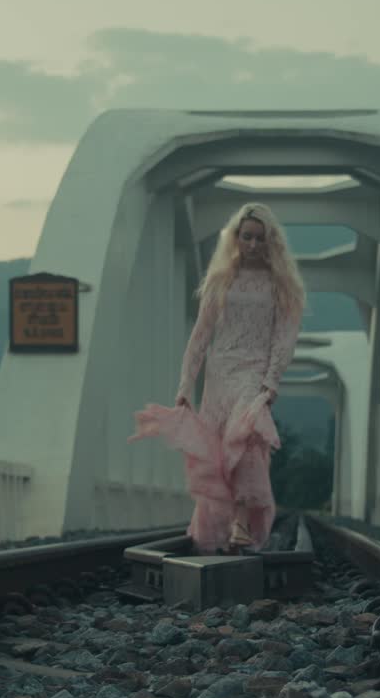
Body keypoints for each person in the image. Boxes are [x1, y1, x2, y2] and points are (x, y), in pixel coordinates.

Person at [129, 202, 305, 554]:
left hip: (254, 374)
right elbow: (200, 336)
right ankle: (222, 532)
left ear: (272, 241)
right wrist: (184, 385)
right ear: (236, 238)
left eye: (260, 238)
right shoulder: (221, 280)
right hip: (219, 374)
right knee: (219, 456)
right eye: (247, 237)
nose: (253, 245)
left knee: (246, 441)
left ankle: (241, 522)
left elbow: (284, 338)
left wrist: (271, 383)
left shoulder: (282, 285)